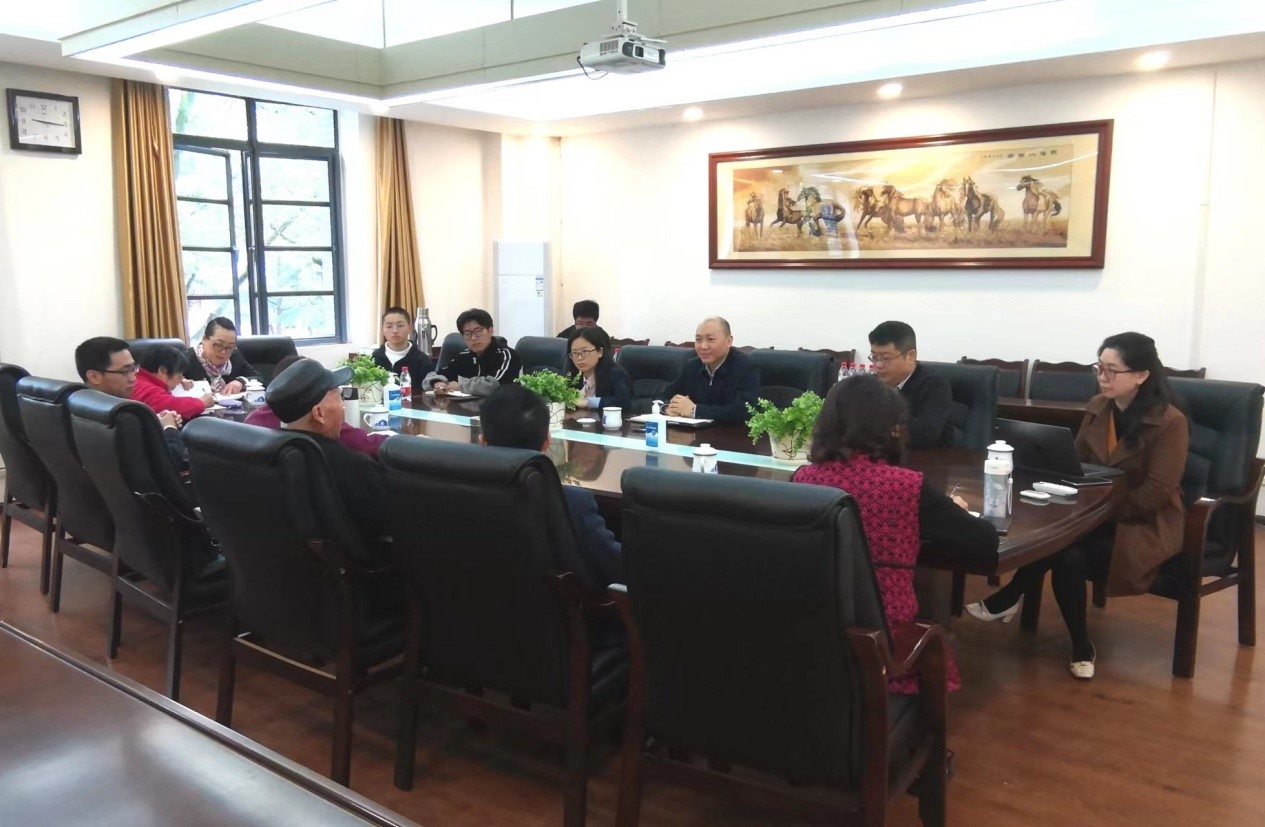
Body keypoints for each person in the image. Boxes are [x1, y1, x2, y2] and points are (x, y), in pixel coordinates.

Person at [968, 332, 1188, 680]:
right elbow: (1078, 464)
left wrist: (1100, 514)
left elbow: (1157, 491)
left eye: (1112, 370)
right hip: (1096, 513)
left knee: (1065, 547)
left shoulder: (1170, 421)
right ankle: (1081, 644)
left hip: (1143, 522)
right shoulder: (1099, 406)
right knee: (1065, 550)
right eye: (1099, 367)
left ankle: (1011, 596)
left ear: (1141, 375)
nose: (1102, 377)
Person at [791, 374, 999, 694]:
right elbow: (984, 541)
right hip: (884, 643)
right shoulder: (906, 486)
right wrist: (951, 510)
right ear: (891, 428)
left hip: (816, 633)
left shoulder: (804, 479)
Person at [479, 384, 622, 588]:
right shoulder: (573, 502)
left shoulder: (462, 495)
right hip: (560, 606)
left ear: (482, 441)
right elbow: (616, 566)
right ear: (547, 441)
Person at [265, 358, 393, 566]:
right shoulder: (353, 467)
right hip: (357, 574)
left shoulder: (268, 456)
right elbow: (391, 524)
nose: (343, 407)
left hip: (289, 571)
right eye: (340, 397)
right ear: (319, 413)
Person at [75, 336, 188, 471]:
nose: (134, 378)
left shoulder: (78, 404)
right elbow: (169, 464)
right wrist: (170, 428)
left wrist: (153, 423)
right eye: (125, 371)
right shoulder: (124, 417)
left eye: (134, 369)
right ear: (94, 377)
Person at [245, 354, 390, 459]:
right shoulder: (348, 460)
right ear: (319, 413)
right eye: (339, 396)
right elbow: (367, 445)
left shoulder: (250, 425)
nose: (342, 404)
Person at [868, 320, 952, 449]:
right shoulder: (871, 383)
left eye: (885, 358)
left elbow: (925, 433)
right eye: (874, 357)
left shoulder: (935, 385)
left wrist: (877, 423)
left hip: (928, 458)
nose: (878, 365)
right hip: (882, 455)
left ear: (911, 356)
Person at [663, 316, 759, 424]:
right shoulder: (691, 366)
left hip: (729, 433)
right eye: (698, 340)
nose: (703, 346)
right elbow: (664, 396)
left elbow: (743, 412)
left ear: (728, 341)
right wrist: (666, 408)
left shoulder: (746, 367)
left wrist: (694, 410)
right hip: (691, 433)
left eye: (711, 339)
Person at [422, 308, 522, 397]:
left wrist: (460, 386)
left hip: (499, 409)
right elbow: (434, 374)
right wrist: (437, 383)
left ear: (490, 331)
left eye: (478, 331)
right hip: (466, 409)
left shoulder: (507, 355)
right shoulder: (464, 356)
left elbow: (494, 386)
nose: (473, 338)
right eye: (467, 334)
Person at [131, 345, 215, 424]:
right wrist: (202, 402)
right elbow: (172, 405)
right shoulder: (144, 388)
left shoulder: (141, 379)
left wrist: (179, 379)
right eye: (179, 375)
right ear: (163, 371)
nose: (181, 379)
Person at [183, 317, 260, 394]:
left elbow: (259, 379)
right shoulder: (185, 360)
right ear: (204, 339)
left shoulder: (235, 357)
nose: (223, 352)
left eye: (230, 347)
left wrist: (241, 382)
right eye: (219, 345)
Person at [567, 327, 632, 412]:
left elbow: (624, 402)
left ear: (600, 352)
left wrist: (589, 402)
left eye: (585, 351)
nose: (579, 358)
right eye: (575, 353)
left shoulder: (615, 374)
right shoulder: (572, 376)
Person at [371, 306, 434, 383]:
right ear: (382, 330)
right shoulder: (374, 358)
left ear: (410, 328)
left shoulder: (422, 360)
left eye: (400, 325)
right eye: (389, 326)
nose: (395, 331)